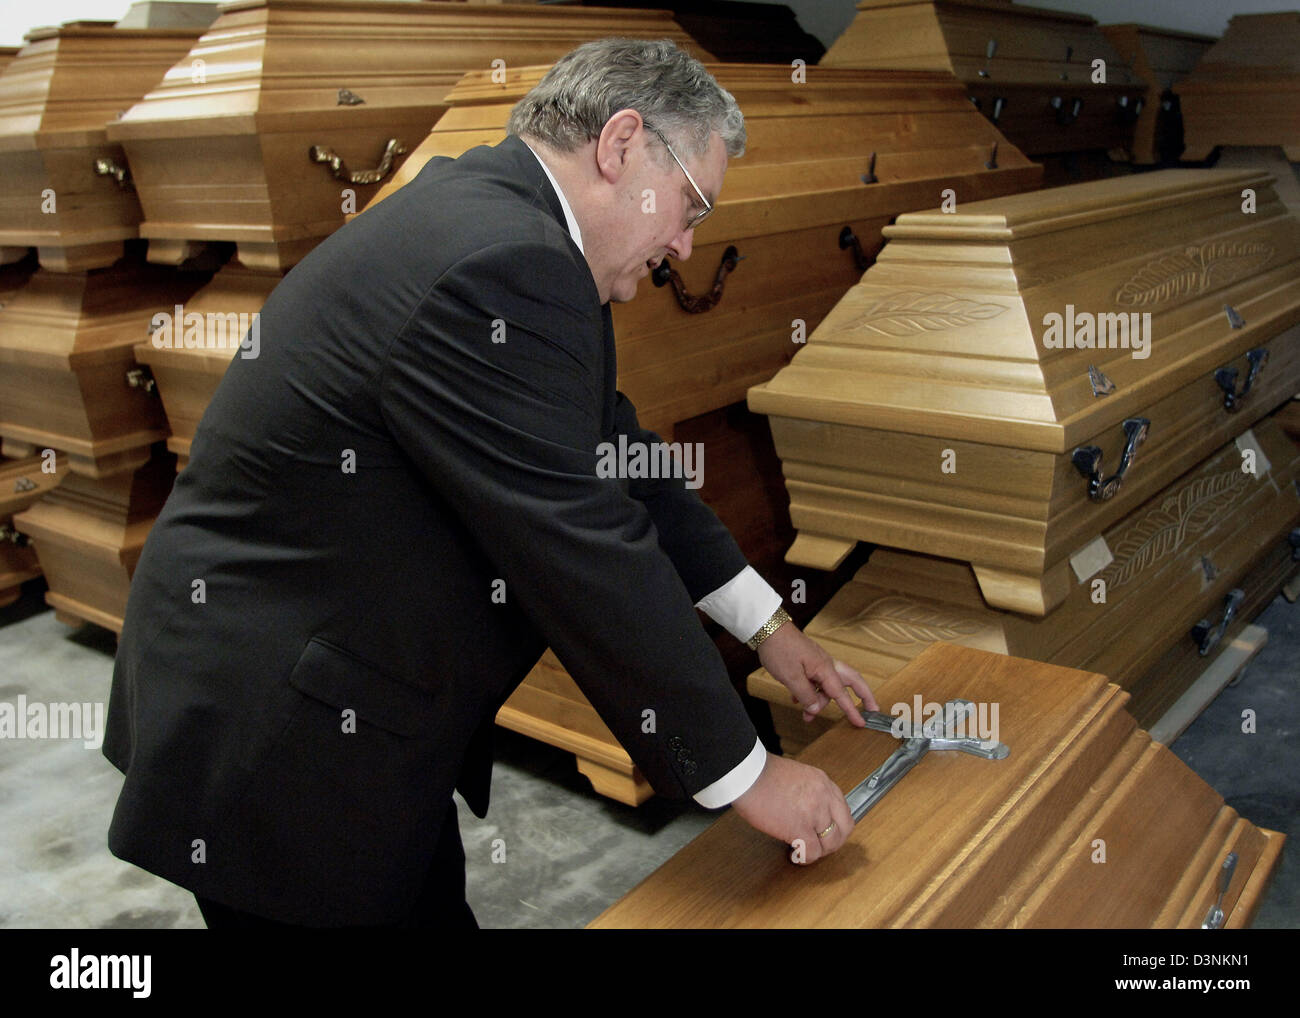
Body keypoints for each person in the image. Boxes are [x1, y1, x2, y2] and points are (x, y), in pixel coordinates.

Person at [103, 37, 878, 929]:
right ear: (622, 143)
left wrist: (768, 626)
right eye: (691, 205)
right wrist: (748, 772)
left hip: (347, 699)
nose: (684, 245)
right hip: (281, 734)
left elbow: (613, 454)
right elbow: (584, 550)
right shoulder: (506, 262)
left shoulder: (506, 225)